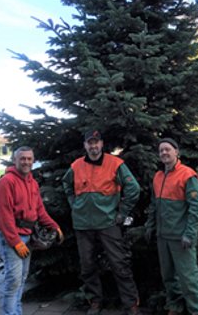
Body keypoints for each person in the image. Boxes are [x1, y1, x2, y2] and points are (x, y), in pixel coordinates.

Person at [62, 130, 141, 315]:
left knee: (119, 264)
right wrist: (73, 203)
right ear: (85, 145)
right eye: (90, 143)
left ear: (102, 144)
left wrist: (123, 212)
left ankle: (130, 305)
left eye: (96, 142)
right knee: (87, 266)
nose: (93, 146)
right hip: (82, 224)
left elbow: (133, 188)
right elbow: (67, 184)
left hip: (108, 223)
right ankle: (95, 302)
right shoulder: (76, 166)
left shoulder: (115, 163)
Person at [0, 146, 63, 315]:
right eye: (22, 158)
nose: (26, 162)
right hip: (11, 238)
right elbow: (4, 217)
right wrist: (15, 242)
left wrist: (54, 226)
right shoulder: (7, 182)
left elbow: (39, 210)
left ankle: (16, 312)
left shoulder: (32, 183)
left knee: (21, 279)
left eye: (29, 159)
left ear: (33, 161)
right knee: (13, 281)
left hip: (27, 237)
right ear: (15, 160)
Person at [145, 137, 198, 315]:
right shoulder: (158, 176)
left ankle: (195, 311)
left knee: (188, 278)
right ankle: (175, 307)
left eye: (167, 149)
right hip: (163, 237)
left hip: (181, 238)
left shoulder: (187, 175)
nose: (164, 152)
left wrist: (189, 234)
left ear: (176, 152)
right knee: (168, 277)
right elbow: (154, 204)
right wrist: (150, 226)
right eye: (161, 150)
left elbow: (196, 207)